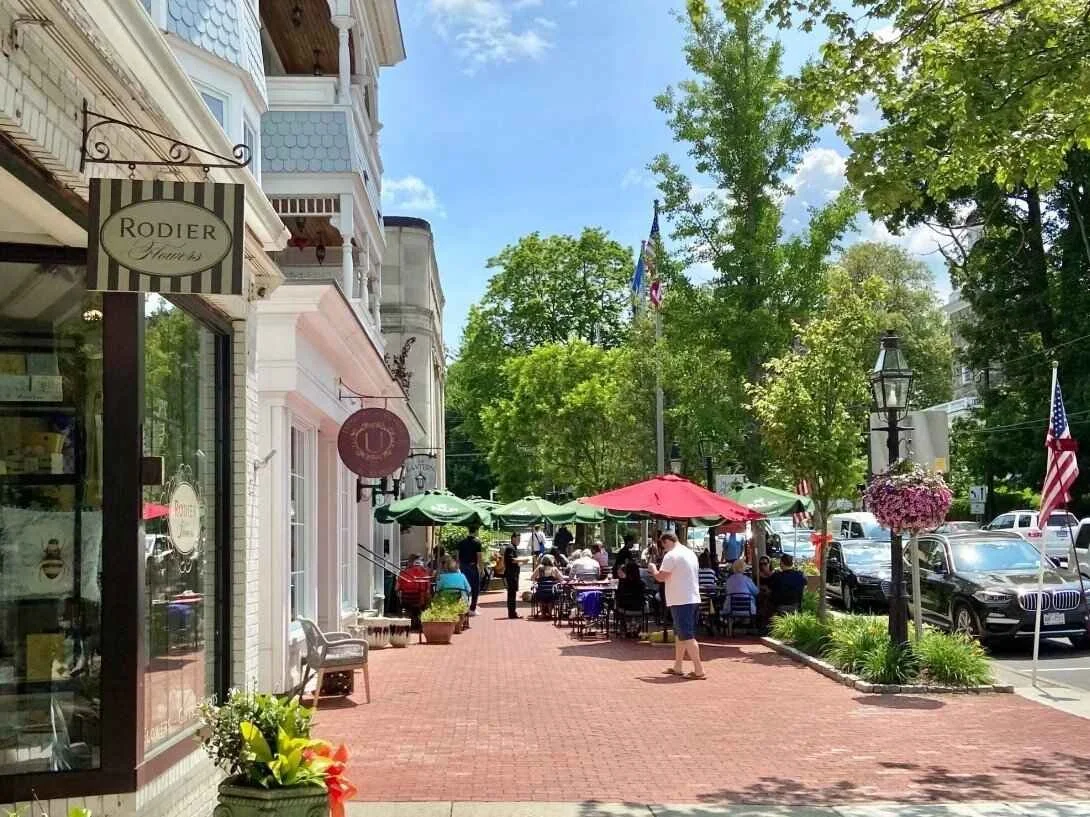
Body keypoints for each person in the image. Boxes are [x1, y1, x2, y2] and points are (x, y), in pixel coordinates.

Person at [647, 531, 705, 680]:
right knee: (680, 634)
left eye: (663, 545)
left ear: (667, 542)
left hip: (680, 600)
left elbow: (661, 577)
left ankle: (699, 670)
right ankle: (678, 666)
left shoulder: (671, 555)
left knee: (687, 635)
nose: (663, 549)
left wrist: (653, 569)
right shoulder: (690, 553)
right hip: (692, 597)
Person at [615, 561, 647, 637]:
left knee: (618, 604)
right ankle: (636, 627)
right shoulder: (642, 583)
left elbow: (619, 594)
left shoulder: (623, 582)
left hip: (625, 606)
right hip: (639, 606)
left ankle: (627, 628)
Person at [457, 526, 484, 615]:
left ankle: (465, 608)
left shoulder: (461, 542)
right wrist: (481, 569)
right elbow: (479, 557)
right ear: (476, 531)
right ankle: (472, 609)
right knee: (475, 588)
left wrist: (458, 567)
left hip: (463, 567)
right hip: (472, 567)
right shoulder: (477, 543)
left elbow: (457, 556)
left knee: (464, 588)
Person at [503, 534, 521, 619]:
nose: (519, 541)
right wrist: (522, 560)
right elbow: (511, 560)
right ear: (513, 538)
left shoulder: (513, 547)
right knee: (511, 594)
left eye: (520, 539)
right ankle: (512, 613)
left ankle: (513, 612)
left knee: (512, 593)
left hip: (513, 574)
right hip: (511, 574)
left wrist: (520, 562)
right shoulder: (510, 547)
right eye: (518, 539)